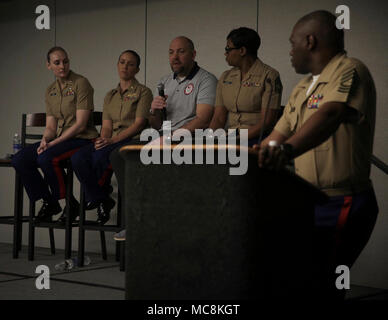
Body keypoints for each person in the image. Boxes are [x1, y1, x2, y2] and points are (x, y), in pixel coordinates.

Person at [256, 11, 378, 301]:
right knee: (297, 281)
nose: (290, 50)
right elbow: (276, 137)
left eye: (292, 43)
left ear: (310, 41)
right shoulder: (302, 87)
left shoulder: (349, 69)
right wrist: (255, 157)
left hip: (340, 202)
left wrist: (286, 151)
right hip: (306, 201)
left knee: (324, 284)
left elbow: (331, 114)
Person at [110, 36, 218, 240]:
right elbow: (157, 124)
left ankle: (156, 222)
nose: (175, 57)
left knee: (157, 160)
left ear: (193, 54)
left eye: (181, 51)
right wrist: (155, 111)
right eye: (171, 52)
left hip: (191, 140)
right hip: (163, 137)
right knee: (119, 154)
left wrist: (169, 138)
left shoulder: (206, 79)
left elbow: (203, 120)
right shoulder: (164, 82)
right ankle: (136, 220)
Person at [12, 46, 98, 223]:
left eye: (65, 61)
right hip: (59, 140)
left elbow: (81, 125)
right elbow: (51, 126)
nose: (62, 66)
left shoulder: (81, 83)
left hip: (81, 139)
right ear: (48, 65)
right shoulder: (50, 90)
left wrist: (53, 144)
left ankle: (70, 203)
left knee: (46, 157)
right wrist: (45, 140)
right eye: (57, 63)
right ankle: (50, 202)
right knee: (20, 159)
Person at [71, 50, 152, 224]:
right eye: (122, 62)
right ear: (117, 65)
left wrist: (111, 141)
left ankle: (95, 198)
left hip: (131, 140)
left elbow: (138, 124)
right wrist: (102, 139)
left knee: (101, 155)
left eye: (130, 64)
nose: (125, 66)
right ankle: (101, 199)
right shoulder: (110, 95)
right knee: (79, 157)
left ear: (137, 69)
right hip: (111, 140)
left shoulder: (144, 92)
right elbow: (106, 126)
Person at [209, 27, 282, 146]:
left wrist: (236, 139)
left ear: (242, 51)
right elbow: (218, 118)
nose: (225, 53)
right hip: (230, 137)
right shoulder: (226, 77)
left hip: (257, 139)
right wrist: (207, 140)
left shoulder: (269, 76)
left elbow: (266, 122)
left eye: (228, 49)